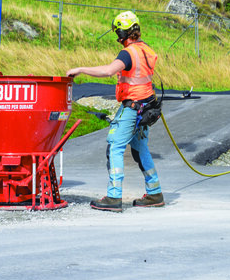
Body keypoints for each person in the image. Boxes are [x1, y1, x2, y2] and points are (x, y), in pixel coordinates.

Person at [66, 11, 164, 212]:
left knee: (115, 146)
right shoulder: (146, 50)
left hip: (133, 108)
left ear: (123, 31)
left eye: (117, 32)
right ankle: (155, 193)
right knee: (140, 149)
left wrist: (81, 69)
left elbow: (109, 70)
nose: (117, 37)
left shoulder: (128, 53)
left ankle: (113, 197)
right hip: (147, 108)